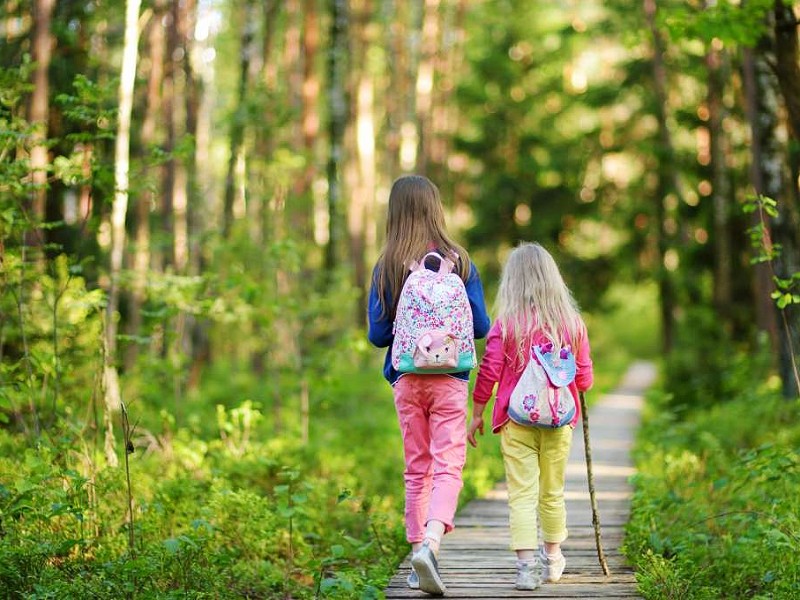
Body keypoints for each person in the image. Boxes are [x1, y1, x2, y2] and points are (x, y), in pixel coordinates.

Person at [368, 175, 491, 595]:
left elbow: (377, 335)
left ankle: (416, 553)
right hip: (451, 379)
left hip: (406, 378)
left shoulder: (387, 264)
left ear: (395, 212)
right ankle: (432, 545)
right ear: (436, 209)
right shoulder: (461, 261)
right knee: (448, 464)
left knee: (416, 467)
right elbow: (480, 326)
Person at [467, 242, 593, 590]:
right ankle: (552, 559)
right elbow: (585, 379)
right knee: (552, 491)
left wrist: (477, 413)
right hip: (558, 422)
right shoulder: (573, 324)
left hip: (516, 420)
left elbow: (489, 371)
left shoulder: (507, 324)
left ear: (512, 281)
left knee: (522, 494)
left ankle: (526, 568)